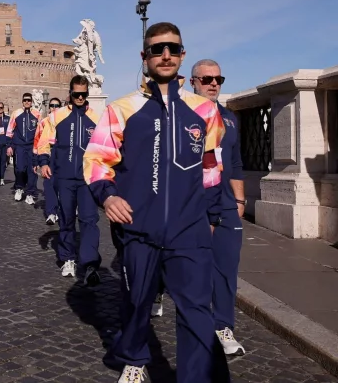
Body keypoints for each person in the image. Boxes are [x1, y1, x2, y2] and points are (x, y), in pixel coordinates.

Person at [84, 22, 229, 382]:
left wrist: (210, 216)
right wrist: (109, 195)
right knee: (136, 304)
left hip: (190, 230)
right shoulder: (122, 109)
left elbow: (212, 167)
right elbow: (96, 159)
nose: (165, 55)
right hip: (139, 228)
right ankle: (134, 356)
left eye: (173, 49)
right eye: (156, 49)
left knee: (197, 310)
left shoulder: (205, 110)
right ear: (144, 56)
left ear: (182, 55)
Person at [190, 58, 247, 356]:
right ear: (193, 82)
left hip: (225, 203)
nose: (213, 84)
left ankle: (223, 326)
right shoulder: (182, 116)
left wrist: (240, 201)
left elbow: (236, 163)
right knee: (192, 269)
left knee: (226, 266)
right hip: (191, 204)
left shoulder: (230, 118)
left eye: (218, 79)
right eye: (207, 79)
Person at [37, 86, 101, 282]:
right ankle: (68, 259)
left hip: (87, 178)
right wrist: (44, 162)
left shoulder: (96, 118)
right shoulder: (58, 116)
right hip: (64, 177)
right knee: (66, 219)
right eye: (76, 94)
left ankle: (90, 264)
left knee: (89, 220)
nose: (80, 97)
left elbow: (104, 146)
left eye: (83, 94)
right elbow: (44, 143)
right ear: (71, 95)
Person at [6, 93, 41, 204]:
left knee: (32, 171)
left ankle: (30, 193)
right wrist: (9, 146)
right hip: (19, 145)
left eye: (29, 100)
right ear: (22, 101)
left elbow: (40, 131)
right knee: (20, 169)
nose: (27, 102)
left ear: (31, 102)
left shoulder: (37, 114)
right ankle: (19, 188)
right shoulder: (16, 113)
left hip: (32, 146)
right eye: (25, 100)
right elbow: (10, 130)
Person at [35, 97, 61, 226]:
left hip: (63, 157)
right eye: (52, 105)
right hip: (49, 156)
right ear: (49, 107)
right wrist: (37, 161)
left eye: (57, 105)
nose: (54, 108)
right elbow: (38, 141)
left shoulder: (65, 120)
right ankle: (51, 212)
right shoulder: (44, 122)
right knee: (49, 185)